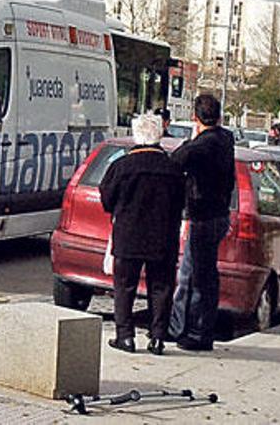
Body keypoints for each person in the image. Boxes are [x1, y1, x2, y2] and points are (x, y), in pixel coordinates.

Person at [99, 113, 185, 355]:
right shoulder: (173, 169)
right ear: (159, 135)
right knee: (161, 287)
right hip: (163, 236)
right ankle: (157, 337)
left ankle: (125, 336)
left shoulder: (122, 167)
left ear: (136, 136)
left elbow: (106, 199)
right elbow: (182, 201)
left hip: (128, 235)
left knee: (124, 287)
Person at [168, 94, 235, 351]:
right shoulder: (225, 139)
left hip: (203, 215)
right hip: (220, 213)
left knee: (195, 276)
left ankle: (193, 330)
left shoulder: (201, 145)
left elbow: (176, 160)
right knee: (199, 274)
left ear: (196, 119)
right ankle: (189, 327)